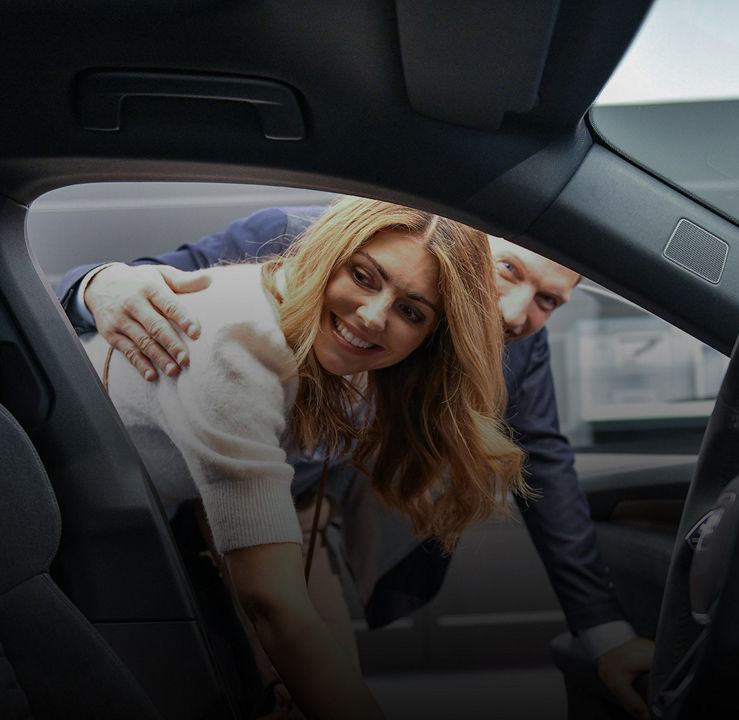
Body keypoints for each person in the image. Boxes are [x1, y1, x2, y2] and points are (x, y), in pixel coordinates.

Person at [57, 204, 658, 720]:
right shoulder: (295, 260)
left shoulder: (476, 339)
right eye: (509, 272)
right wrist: (96, 284)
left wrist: (603, 630)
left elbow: (544, 461)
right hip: (170, 467)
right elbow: (160, 293)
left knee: (315, 669)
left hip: (295, 490)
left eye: (549, 300)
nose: (516, 313)